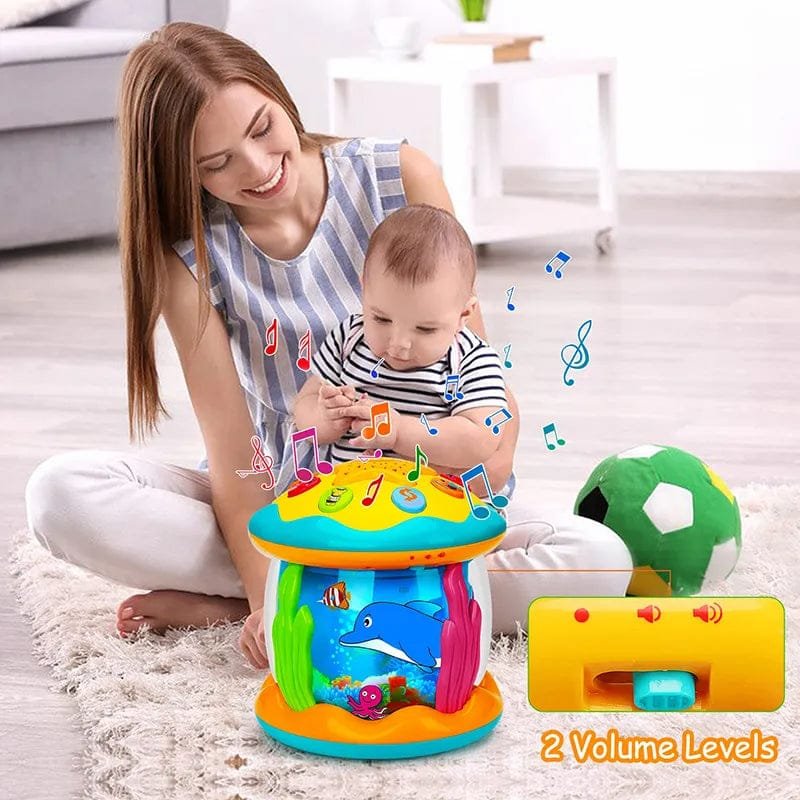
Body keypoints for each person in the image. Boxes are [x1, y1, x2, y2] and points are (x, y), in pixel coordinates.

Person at [24, 23, 633, 671]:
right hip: (294, 511)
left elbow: (478, 391)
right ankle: (318, 595)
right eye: (217, 163)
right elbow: (237, 459)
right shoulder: (191, 253)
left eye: (261, 129)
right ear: (182, 171)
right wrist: (272, 598)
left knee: (597, 558)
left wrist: (461, 449)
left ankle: (283, 599)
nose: (257, 169)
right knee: (60, 495)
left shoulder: (398, 177)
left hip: (429, 508)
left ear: (279, 95)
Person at [295, 204, 512, 499]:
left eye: (425, 329)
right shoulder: (348, 338)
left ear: (464, 314)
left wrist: (400, 431)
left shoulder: (474, 361)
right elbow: (305, 405)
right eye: (381, 319)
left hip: (434, 514)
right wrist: (324, 417)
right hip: (346, 504)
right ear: (364, 289)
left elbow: (480, 439)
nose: (399, 344)